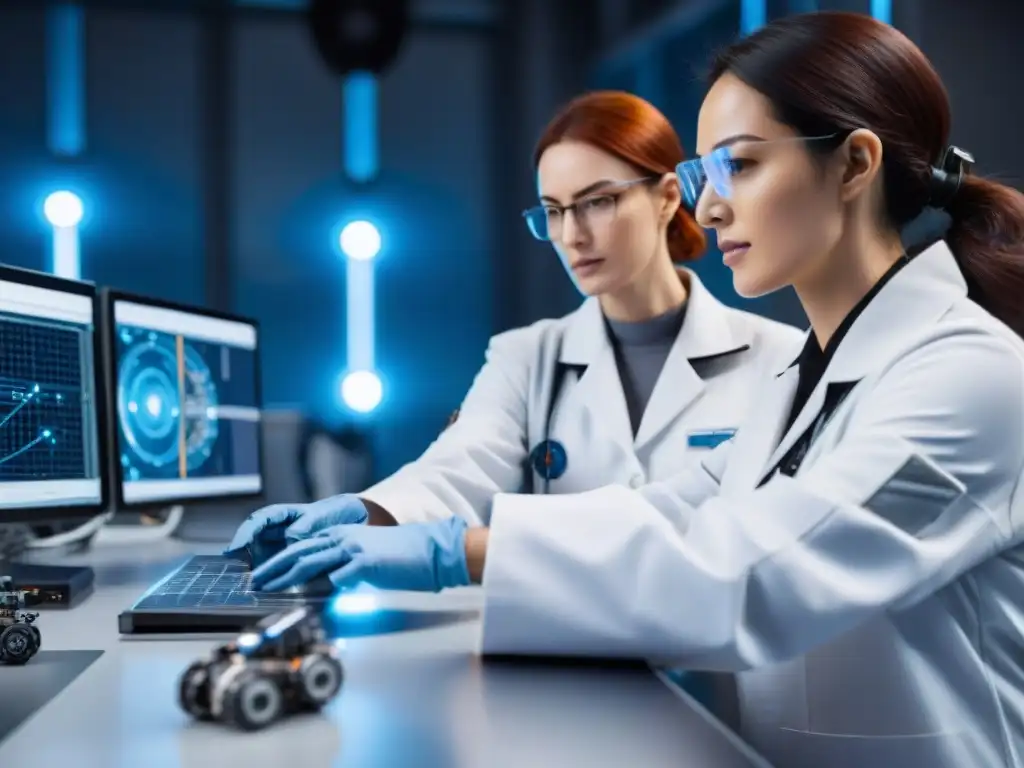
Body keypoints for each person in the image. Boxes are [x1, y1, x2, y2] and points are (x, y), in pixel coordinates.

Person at [244, 13, 1024, 768]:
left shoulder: (969, 377)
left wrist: (461, 551)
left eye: (741, 165)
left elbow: (756, 572)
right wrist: (385, 520)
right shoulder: (806, 379)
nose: (711, 206)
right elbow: (667, 506)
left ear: (855, 164)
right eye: (707, 172)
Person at [228, 91, 801, 562]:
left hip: (720, 672)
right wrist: (367, 511)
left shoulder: (779, 358)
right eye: (553, 211)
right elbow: (461, 467)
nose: (572, 235)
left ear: (667, 195)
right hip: (567, 654)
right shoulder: (527, 357)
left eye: (596, 202)